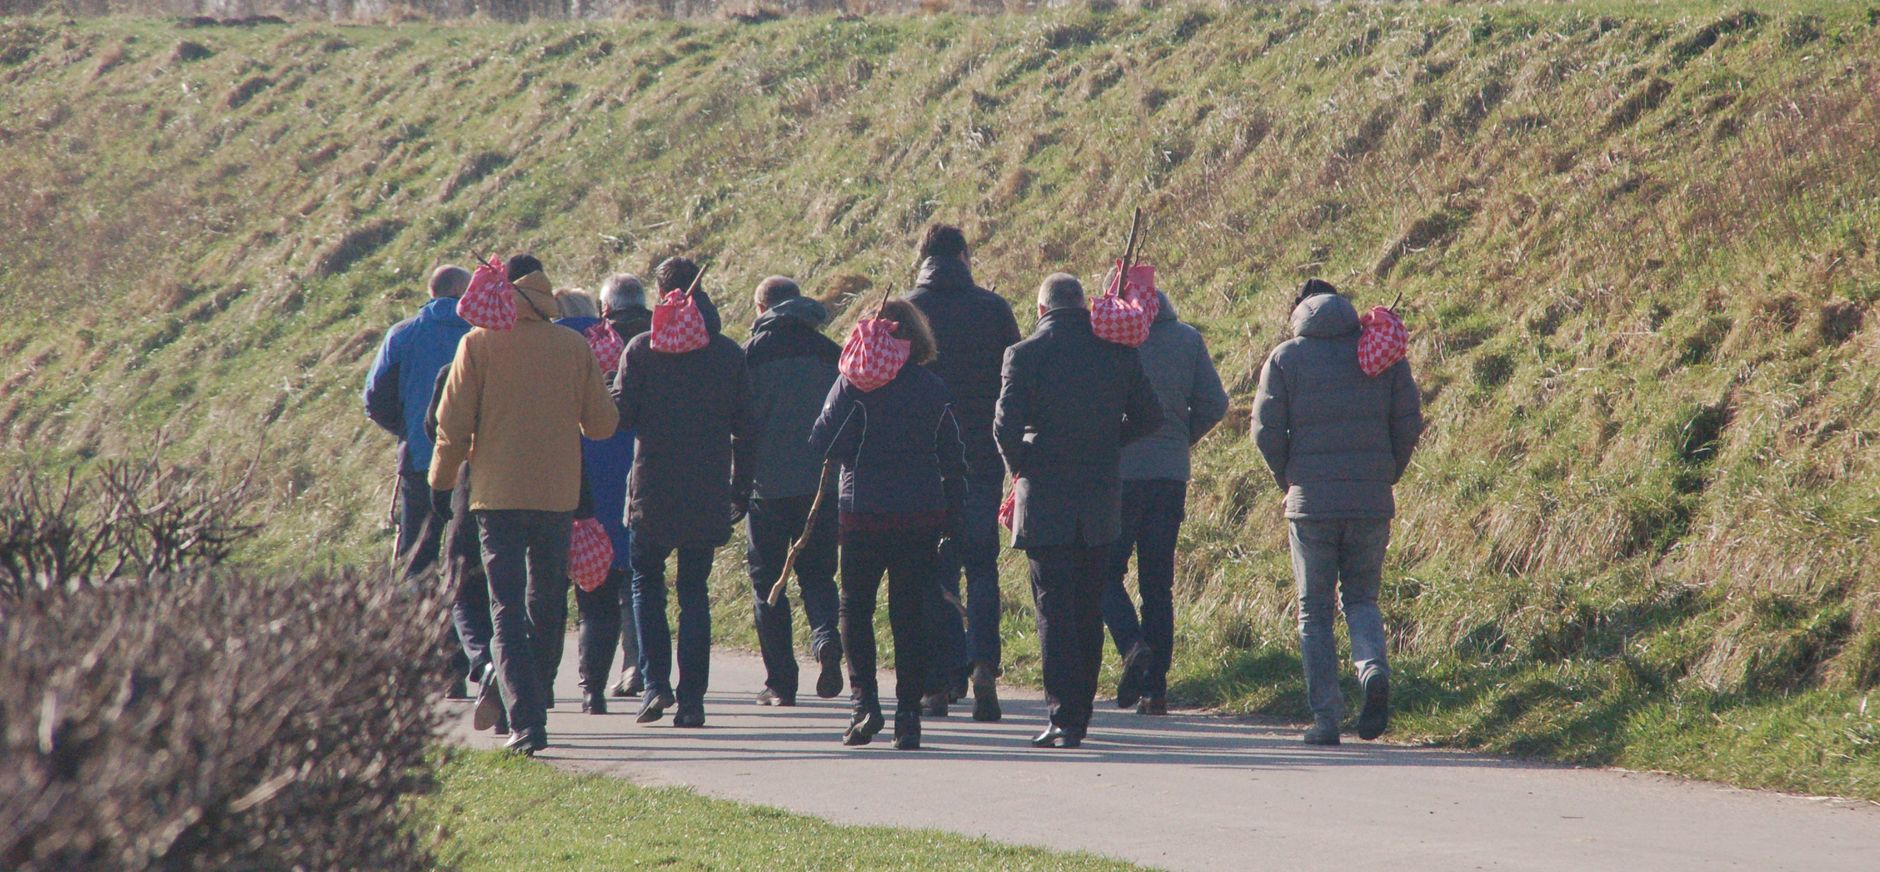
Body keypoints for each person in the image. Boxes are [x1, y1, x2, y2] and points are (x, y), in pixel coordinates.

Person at [430, 253, 619, 755]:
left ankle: (526, 719)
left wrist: (440, 483)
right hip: (558, 496)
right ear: (544, 294)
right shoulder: (573, 346)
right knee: (547, 604)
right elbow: (602, 425)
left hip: (497, 497)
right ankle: (530, 694)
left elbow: (452, 427)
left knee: (505, 608)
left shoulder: (478, 344)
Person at [1251, 278, 1423, 746]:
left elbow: (1266, 433)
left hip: (1311, 506)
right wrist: (1387, 473)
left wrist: (1289, 480)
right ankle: (1371, 671)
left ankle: (1327, 719)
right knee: (1362, 600)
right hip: (1370, 501)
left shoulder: (1285, 358)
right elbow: (1409, 422)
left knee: (1314, 614)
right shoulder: (1380, 354)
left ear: (1300, 314)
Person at [994, 274, 1161, 749]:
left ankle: (1062, 716)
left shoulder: (1023, 355)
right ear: (1082, 305)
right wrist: (1108, 441)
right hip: (1099, 499)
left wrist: (1023, 462)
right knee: (1087, 607)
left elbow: (1004, 428)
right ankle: (1081, 714)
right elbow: (1151, 417)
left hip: (1045, 498)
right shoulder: (1117, 352)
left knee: (1054, 610)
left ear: (1042, 309)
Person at [808, 300, 967, 750]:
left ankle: (864, 707)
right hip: (920, 515)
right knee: (909, 616)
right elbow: (954, 458)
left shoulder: (852, 385)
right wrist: (954, 515)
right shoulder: (932, 388)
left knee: (855, 609)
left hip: (861, 514)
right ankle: (908, 717)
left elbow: (823, 441)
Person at [613, 257, 752, 729]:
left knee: (645, 584)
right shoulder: (728, 354)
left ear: (662, 292)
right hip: (706, 490)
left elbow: (623, 417)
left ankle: (655, 686)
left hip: (651, 490)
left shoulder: (642, 349)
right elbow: (746, 429)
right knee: (694, 591)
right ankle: (692, 701)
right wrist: (742, 488)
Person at [904, 223, 1022, 721]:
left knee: (935, 569)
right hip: (980, 456)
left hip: (925, 462)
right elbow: (1015, 382)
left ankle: (940, 681)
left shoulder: (907, 312)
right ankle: (983, 667)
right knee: (981, 566)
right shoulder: (994, 310)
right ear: (965, 256)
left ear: (923, 257)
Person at [1101, 289, 1230, 715]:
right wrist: (1180, 440)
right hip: (1170, 476)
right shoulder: (1188, 339)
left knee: (1103, 572)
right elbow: (1215, 403)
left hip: (1119, 475)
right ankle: (1155, 693)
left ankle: (1131, 644)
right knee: (1158, 585)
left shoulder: (1110, 338)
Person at [741, 276, 843, 706]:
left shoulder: (748, 356)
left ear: (762, 307)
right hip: (820, 487)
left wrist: (736, 484)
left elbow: (739, 428)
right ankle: (824, 639)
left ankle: (781, 683)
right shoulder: (831, 353)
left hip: (765, 490)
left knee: (769, 584)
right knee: (818, 574)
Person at [553, 285, 636, 715]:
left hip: (554, 482)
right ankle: (593, 690)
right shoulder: (612, 347)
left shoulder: (545, 348)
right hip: (611, 482)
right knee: (599, 596)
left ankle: (539, 686)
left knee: (544, 594)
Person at [425, 365, 500, 734]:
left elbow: (438, 428)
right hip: (534, 492)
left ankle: (485, 661)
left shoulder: (462, 366)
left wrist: (439, 486)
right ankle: (520, 680)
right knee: (514, 594)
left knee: (461, 587)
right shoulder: (554, 354)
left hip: (472, 488)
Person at [597, 274, 652, 702]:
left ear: (606, 308)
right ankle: (640, 665)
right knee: (641, 573)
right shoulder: (664, 334)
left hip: (601, 465)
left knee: (605, 576)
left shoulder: (598, 341)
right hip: (650, 468)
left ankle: (599, 673)